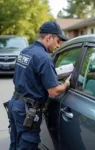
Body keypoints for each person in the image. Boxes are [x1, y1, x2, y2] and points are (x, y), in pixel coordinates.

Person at [8, 21, 71, 150]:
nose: (58, 46)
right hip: (27, 110)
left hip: (14, 104)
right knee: (26, 146)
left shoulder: (25, 51)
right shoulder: (44, 58)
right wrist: (66, 84)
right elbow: (53, 92)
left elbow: (26, 76)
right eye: (58, 41)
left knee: (15, 144)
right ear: (49, 38)